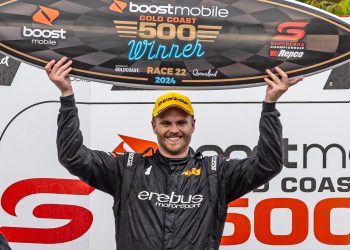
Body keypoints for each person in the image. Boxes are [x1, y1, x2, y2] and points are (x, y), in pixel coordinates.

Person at [45, 57, 303, 250]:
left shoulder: (216, 173)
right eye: (166, 123)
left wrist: (270, 106)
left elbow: (268, 164)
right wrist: (67, 96)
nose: (174, 130)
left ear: (193, 125)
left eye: (181, 122)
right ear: (154, 126)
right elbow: (73, 156)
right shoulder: (127, 169)